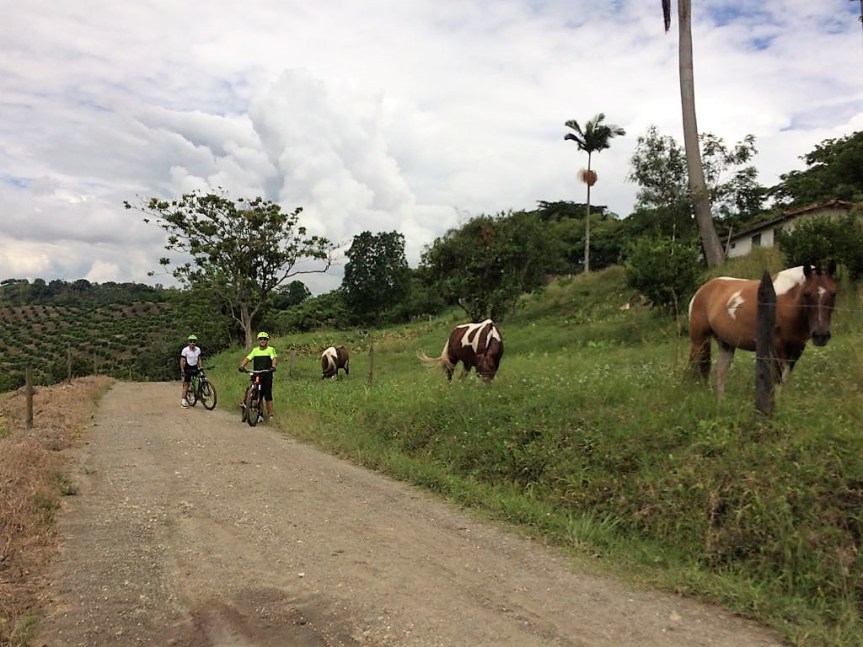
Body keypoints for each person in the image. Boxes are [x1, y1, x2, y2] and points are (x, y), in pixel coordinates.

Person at [239, 331, 278, 419]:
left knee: (267, 395)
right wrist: (242, 366)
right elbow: (247, 358)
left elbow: (274, 358)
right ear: (258, 340)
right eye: (261, 339)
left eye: (264, 339)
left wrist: (273, 366)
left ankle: (271, 415)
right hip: (257, 374)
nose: (262, 341)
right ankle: (258, 413)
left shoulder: (270, 349)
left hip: (267, 374)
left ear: (267, 341)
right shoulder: (255, 350)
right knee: (255, 392)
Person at [180, 334, 203, 408]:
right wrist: (182, 370)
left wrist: (201, 367)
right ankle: (183, 401)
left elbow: (199, 359)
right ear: (188, 342)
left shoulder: (198, 349)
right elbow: (182, 360)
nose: (192, 343)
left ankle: (201, 394)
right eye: (191, 341)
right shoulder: (185, 350)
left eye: (194, 341)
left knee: (202, 378)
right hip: (187, 368)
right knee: (186, 384)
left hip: (195, 368)